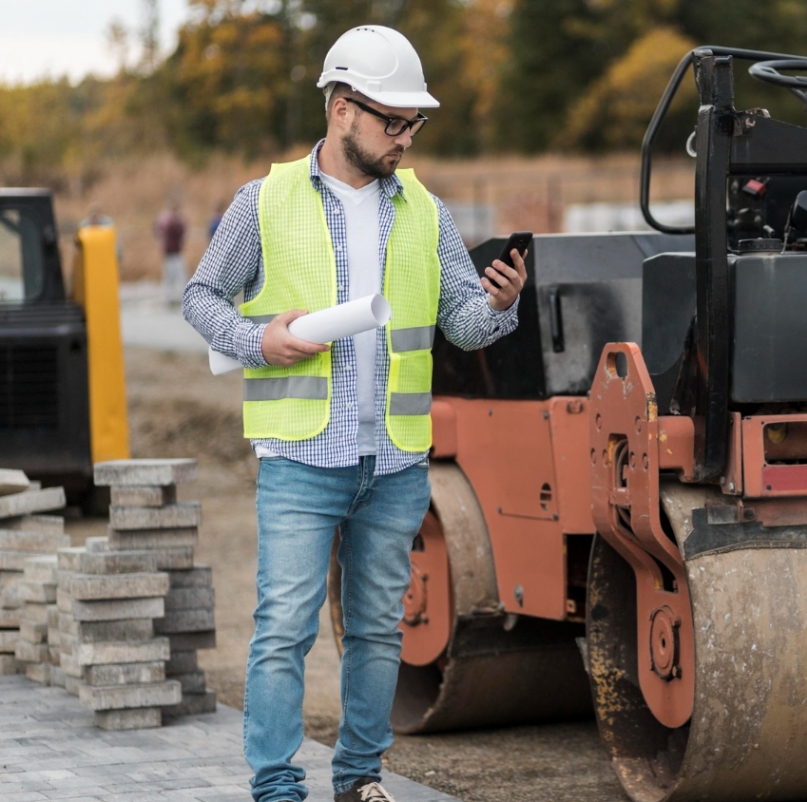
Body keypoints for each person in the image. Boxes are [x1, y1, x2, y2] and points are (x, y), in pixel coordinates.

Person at [182, 25, 528, 802]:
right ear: (342, 109)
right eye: (392, 122)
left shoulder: (426, 212)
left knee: (378, 632)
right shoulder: (262, 201)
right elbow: (199, 296)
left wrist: (498, 305)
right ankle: (276, 788)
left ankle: (359, 780)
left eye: (414, 124)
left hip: (396, 461)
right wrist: (255, 339)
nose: (406, 138)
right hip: (301, 456)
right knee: (284, 633)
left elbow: (459, 323)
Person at [156, 201, 188, 305]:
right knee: (173, 277)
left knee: (178, 276)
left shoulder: (165, 221)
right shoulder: (170, 222)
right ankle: (169, 297)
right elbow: (180, 231)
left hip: (173, 253)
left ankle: (174, 296)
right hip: (171, 254)